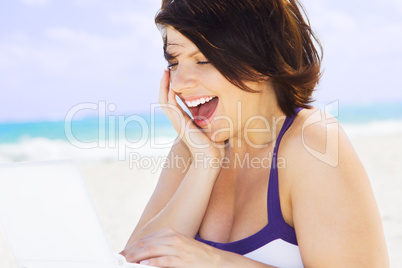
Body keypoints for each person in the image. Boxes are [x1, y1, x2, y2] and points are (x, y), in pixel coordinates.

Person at [121, 0, 389, 267]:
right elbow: (130, 261)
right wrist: (204, 163)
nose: (179, 84)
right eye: (174, 62)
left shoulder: (312, 142)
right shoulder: (190, 148)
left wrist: (215, 262)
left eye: (202, 60)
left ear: (260, 60)